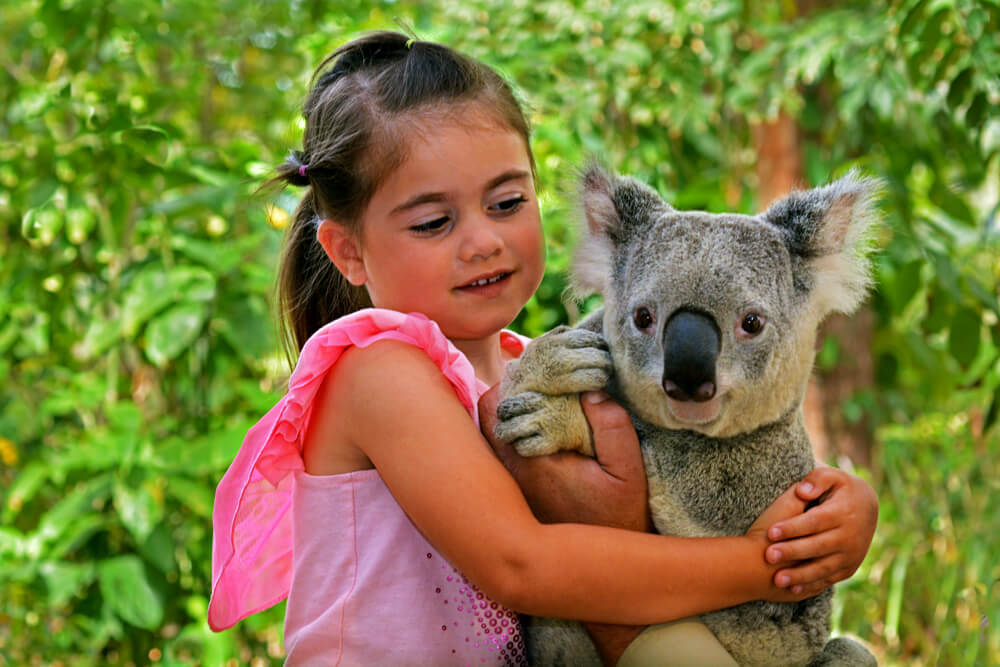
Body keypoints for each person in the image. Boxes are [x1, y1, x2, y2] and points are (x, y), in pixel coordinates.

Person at [209, 31, 878, 666]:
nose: (482, 241)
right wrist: (764, 562)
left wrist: (836, 515)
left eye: (506, 202)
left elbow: (681, 477)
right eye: (435, 222)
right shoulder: (379, 370)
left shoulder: (547, 362)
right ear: (348, 250)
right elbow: (522, 565)